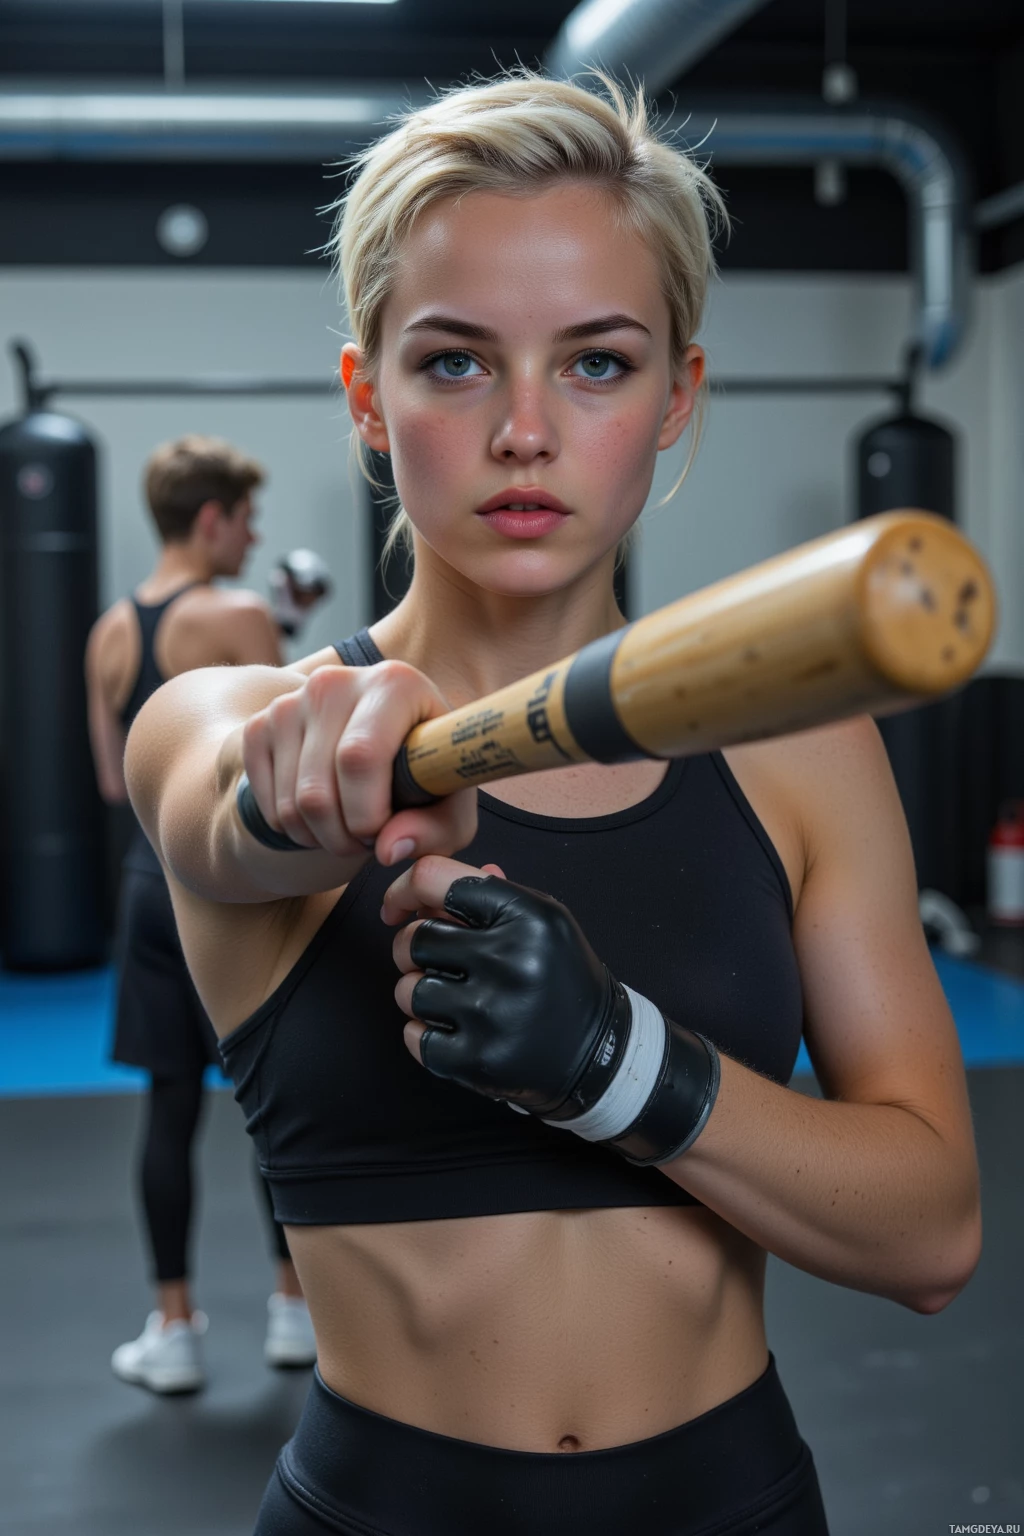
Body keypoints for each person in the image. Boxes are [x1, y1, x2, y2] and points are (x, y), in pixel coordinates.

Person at [125, 75, 981, 1532]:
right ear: (369, 402)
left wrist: (622, 1065)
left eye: (596, 365)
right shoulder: (233, 717)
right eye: (456, 364)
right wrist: (307, 795)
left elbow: (933, 1229)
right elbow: (228, 811)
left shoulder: (802, 752)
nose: (527, 429)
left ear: (676, 398)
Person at [86, 435, 320, 1393]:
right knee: (275, 1105)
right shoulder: (237, 612)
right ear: (214, 519)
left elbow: (118, 782)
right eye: (247, 519)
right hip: (231, 897)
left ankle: (173, 1329)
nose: (253, 534)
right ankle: (295, 1310)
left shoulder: (109, 630)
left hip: (147, 889)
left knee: (168, 1108)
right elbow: (288, 766)